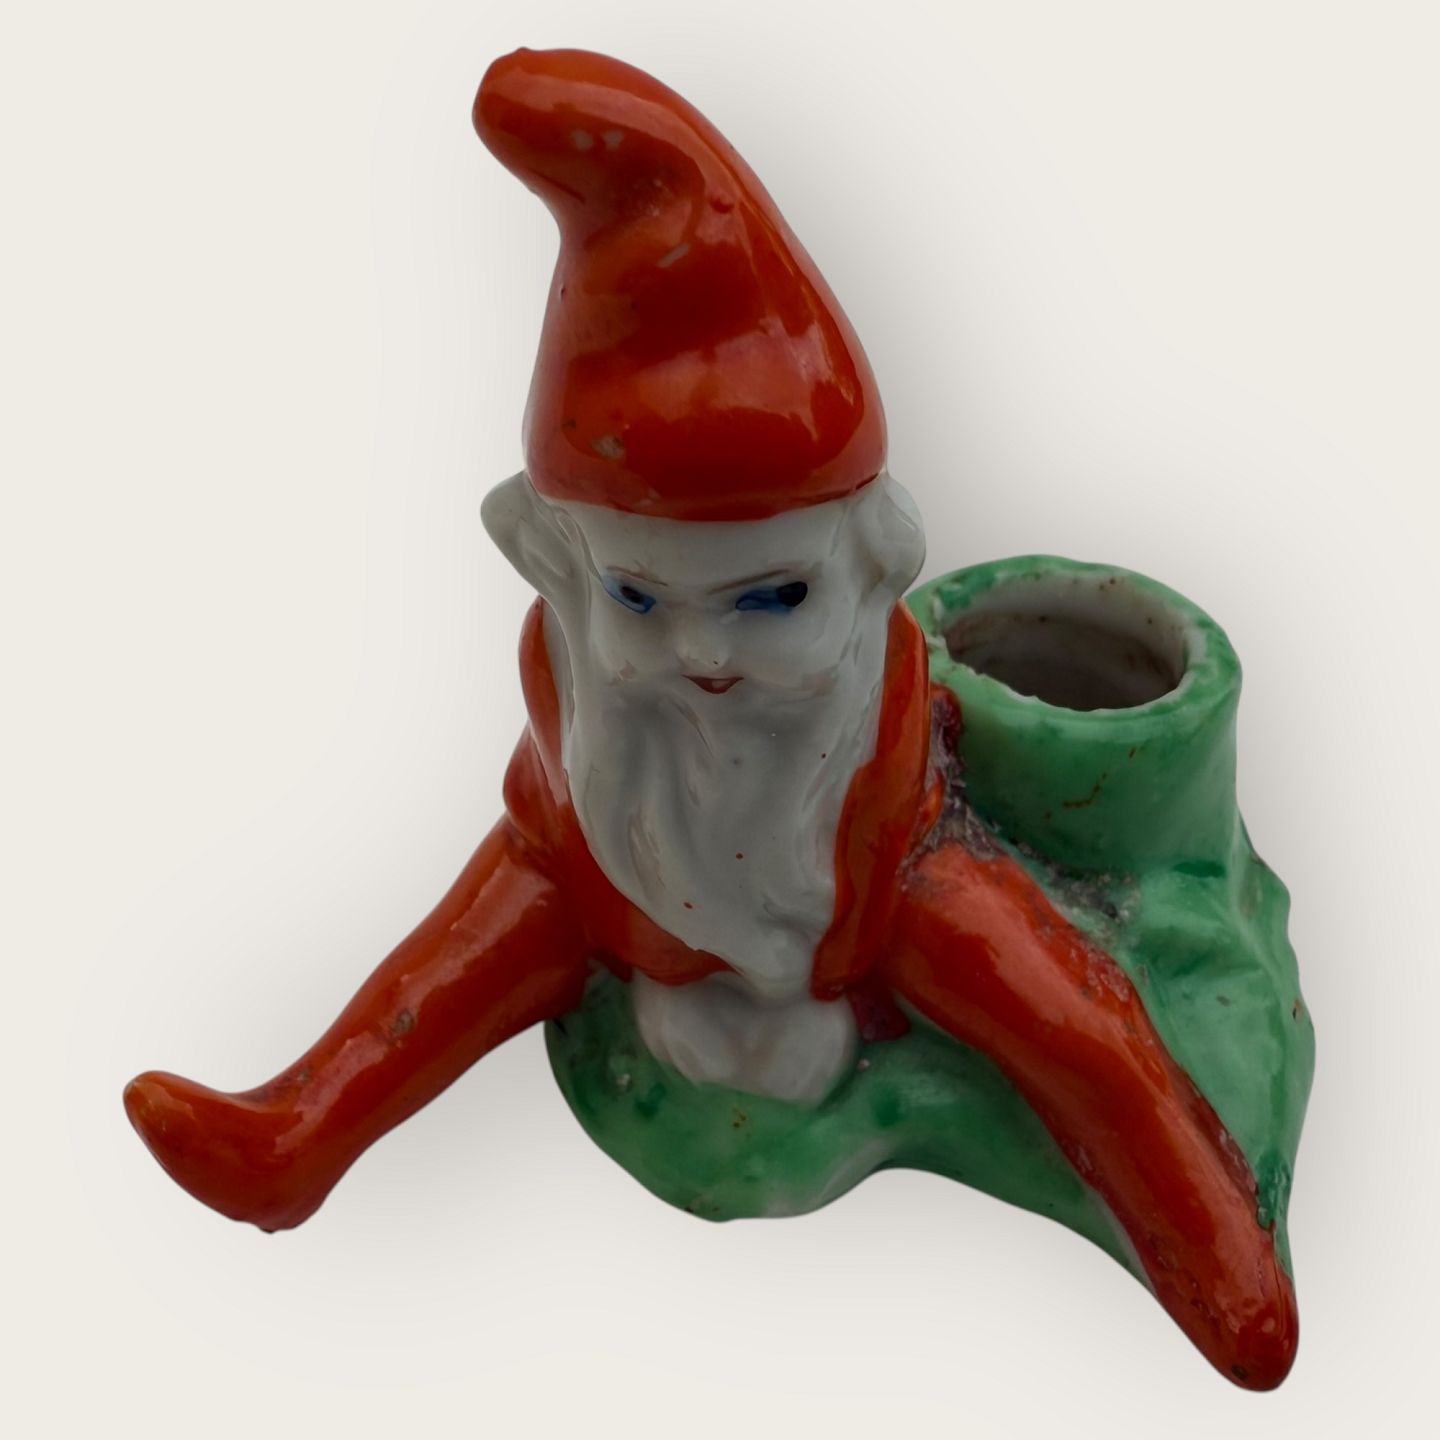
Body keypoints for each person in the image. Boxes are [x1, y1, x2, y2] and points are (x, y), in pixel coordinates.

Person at [125, 48, 1297, 1389]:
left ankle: (1222, 1255)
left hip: (879, 888)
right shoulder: (584, 713)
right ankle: (295, 1140)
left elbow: (891, 840)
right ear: (558, 567)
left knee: (1067, 1018)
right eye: (641, 597)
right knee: (450, 968)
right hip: (608, 889)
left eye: (771, 598)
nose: (701, 655)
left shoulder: (864, 719)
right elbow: (534, 859)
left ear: (874, 563)